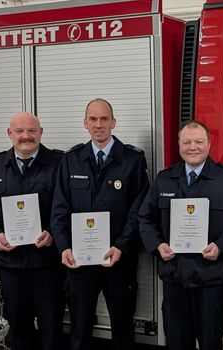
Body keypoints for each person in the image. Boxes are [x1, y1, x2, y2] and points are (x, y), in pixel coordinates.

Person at [138, 120, 223, 350]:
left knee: (211, 343)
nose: (193, 147)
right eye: (187, 142)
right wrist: (158, 245)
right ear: (179, 145)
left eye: (199, 141)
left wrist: (221, 246)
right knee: (177, 343)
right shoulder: (164, 179)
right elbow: (145, 218)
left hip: (210, 279)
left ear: (209, 144)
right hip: (174, 279)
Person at [50, 98, 150, 350]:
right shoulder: (71, 160)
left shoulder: (132, 160)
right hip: (79, 262)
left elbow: (139, 211)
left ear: (113, 122)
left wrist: (121, 247)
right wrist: (64, 247)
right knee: (80, 329)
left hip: (118, 260)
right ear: (85, 123)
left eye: (104, 119)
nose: (99, 125)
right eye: (93, 119)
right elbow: (59, 209)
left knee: (122, 328)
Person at [0, 112, 65, 350]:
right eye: (19, 131)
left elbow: (72, 204)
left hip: (49, 265)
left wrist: (52, 231)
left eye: (32, 130)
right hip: (12, 266)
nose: (26, 136)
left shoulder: (60, 163)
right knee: (18, 330)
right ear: (9, 134)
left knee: (52, 330)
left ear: (41, 132)